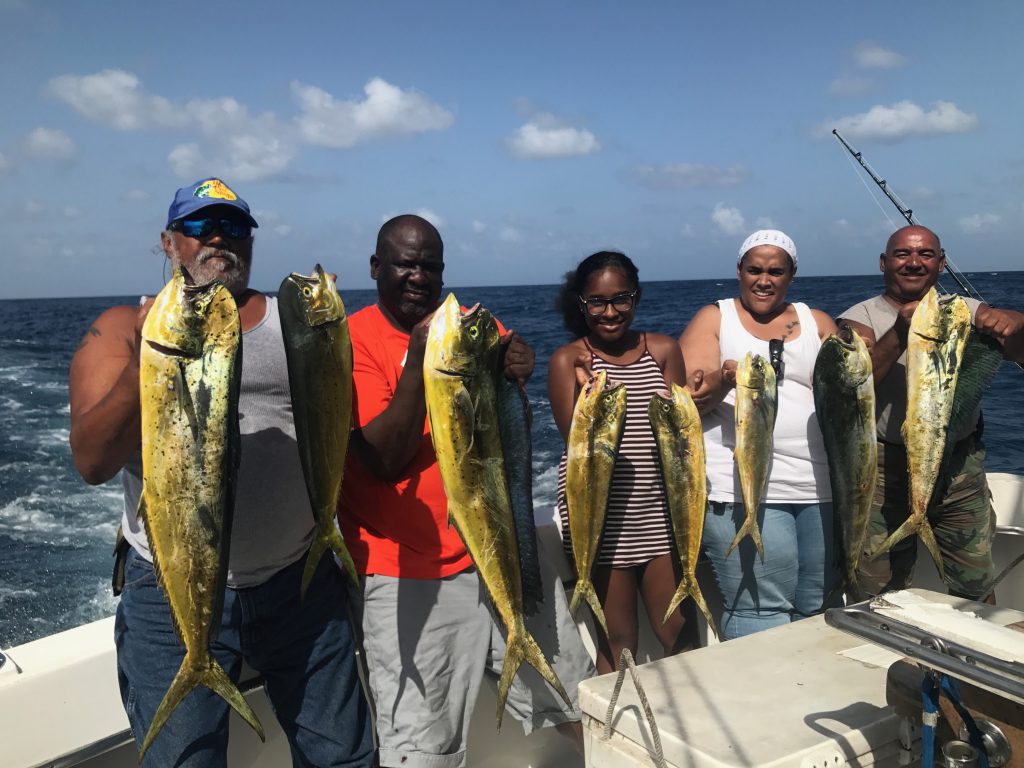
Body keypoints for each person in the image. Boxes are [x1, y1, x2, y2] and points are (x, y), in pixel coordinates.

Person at [68, 178, 374, 767]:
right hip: (167, 592)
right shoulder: (126, 327)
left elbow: (343, 423)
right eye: (199, 227)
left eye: (234, 228)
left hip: (299, 584)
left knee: (344, 760)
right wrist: (163, 356)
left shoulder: (297, 322)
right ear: (168, 242)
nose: (218, 239)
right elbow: (91, 462)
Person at [338, 214, 594, 768]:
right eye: (406, 263)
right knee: (421, 750)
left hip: (504, 549)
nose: (418, 277)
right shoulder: (350, 339)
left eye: (431, 266)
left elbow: (512, 422)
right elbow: (383, 457)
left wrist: (516, 368)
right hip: (408, 575)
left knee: (580, 701)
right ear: (376, 267)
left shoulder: (470, 327)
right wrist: (420, 358)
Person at [837, 224, 1024, 601]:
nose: (914, 262)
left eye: (925, 254)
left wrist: (1017, 323)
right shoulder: (858, 318)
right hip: (883, 472)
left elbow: (1016, 350)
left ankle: (973, 652)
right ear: (883, 262)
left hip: (957, 469)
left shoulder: (964, 310)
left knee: (975, 588)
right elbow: (850, 384)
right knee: (877, 591)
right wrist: (900, 332)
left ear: (941, 263)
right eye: (903, 253)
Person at [679, 229, 840, 640]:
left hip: (817, 486)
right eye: (754, 270)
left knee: (816, 603)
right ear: (739, 271)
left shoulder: (816, 321)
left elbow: (849, 384)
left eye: (775, 271)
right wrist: (726, 379)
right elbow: (691, 401)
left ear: (791, 275)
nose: (763, 280)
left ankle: (806, 697)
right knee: (760, 609)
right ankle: (759, 702)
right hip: (742, 490)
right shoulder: (714, 318)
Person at [547, 250, 700, 673]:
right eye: (597, 301)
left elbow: (680, 435)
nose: (610, 312)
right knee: (620, 642)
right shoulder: (567, 360)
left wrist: (708, 395)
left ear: (637, 297)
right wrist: (587, 393)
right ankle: (614, 733)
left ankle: (686, 730)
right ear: (581, 303)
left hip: (660, 513)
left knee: (679, 632)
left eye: (621, 299)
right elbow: (576, 446)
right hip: (600, 521)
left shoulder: (664, 350)